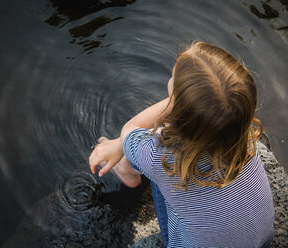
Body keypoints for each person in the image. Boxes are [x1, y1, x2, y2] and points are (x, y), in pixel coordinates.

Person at [89, 41, 275, 247]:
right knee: (183, 132)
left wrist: (120, 145)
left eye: (173, 80)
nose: (169, 81)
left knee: (151, 147)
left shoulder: (160, 157)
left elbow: (130, 130)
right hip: (260, 242)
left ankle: (127, 172)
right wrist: (180, 99)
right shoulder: (241, 131)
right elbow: (202, 114)